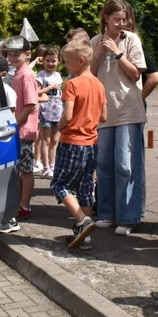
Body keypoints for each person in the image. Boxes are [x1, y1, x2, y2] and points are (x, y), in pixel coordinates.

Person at [90, 0, 147, 236]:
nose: (121, 24)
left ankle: (128, 216)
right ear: (106, 18)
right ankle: (106, 213)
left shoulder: (131, 40)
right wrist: (99, 53)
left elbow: (136, 74)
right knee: (103, 164)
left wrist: (118, 53)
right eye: (116, 19)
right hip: (104, 112)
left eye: (124, 19)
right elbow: (90, 75)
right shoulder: (95, 41)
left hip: (128, 110)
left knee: (125, 165)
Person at [51, 40, 107, 252]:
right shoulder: (99, 85)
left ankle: (82, 220)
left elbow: (67, 115)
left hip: (72, 142)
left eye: (67, 62)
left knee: (60, 184)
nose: (65, 66)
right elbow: (104, 116)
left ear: (80, 61)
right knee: (85, 186)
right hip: (92, 143)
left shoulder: (72, 84)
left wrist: (60, 126)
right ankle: (84, 237)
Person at [3, 36, 39, 225]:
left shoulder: (26, 75)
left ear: (27, 54)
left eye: (17, 54)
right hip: (20, 129)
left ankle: (25, 206)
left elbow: (31, 105)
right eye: (10, 54)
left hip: (24, 130)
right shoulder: (18, 73)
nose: (12, 57)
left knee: (25, 170)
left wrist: (15, 123)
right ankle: (19, 203)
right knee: (19, 169)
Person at [35, 47, 64, 178]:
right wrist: (50, 87)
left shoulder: (58, 76)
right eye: (48, 60)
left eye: (53, 61)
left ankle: (53, 165)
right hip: (46, 111)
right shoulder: (41, 75)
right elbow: (37, 92)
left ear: (58, 62)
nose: (51, 63)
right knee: (45, 140)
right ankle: (45, 166)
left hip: (57, 111)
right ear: (43, 61)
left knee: (55, 140)